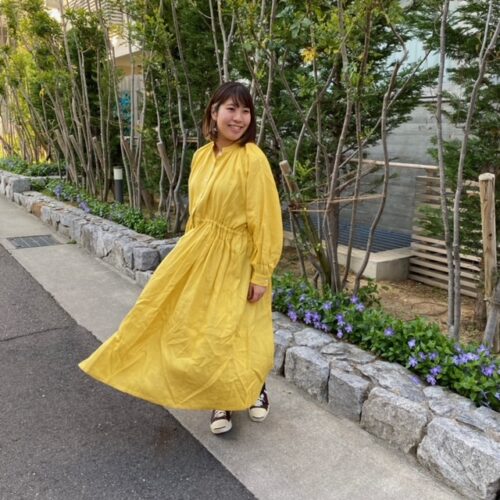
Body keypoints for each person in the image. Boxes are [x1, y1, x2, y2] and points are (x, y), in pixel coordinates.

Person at [79, 81, 283, 435]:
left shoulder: (253, 159)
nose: (238, 118)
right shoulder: (201, 156)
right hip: (198, 251)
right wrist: (186, 255)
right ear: (214, 112)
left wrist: (261, 272)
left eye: (245, 111)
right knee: (198, 329)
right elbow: (197, 213)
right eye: (231, 109)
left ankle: (253, 390)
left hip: (237, 258)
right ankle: (221, 397)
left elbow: (266, 219)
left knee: (237, 329)